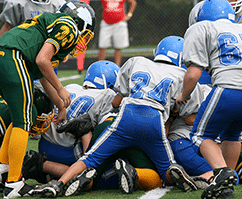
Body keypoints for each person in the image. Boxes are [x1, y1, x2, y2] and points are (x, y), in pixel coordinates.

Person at [32, 35, 199, 198]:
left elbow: (115, 102)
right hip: (153, 121)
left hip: (124, 118)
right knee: (164, 170)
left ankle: (59, 184)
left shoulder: (136, 61)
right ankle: (166, 172)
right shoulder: (183, 76)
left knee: (90, 159)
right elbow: (189, 118)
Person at [176, 0, 242, 198]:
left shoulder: (203, 28)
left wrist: (183, 96)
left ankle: (222, 173)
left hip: (228, 89)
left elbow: (193, 74)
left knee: (200, 136)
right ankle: (227, 186)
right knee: (233, 132)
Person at [0, 0, 95, 198]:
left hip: (7, 53)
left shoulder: (53, 28)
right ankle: (14, 184)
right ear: (81, 23)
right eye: (85, 33)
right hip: (13, 55)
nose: (83, 40)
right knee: (24, 120)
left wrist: (61, 107)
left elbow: (44, 75)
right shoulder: (68, 25)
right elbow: (42, 60)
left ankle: (3, 168)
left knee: (25, 114)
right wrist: (61, 89)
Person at [98, 0, 137, 66]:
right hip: (106, 22)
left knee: (118, 47)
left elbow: (133, 2)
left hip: (119, 23)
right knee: (102, 46)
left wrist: (129, 15)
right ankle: (100, 67)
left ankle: (117, 67)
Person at [0, 0, 66, 37]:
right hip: (21, 45)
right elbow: (8, 27)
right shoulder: (18, 3)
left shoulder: (59, 4)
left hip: (46, 46)